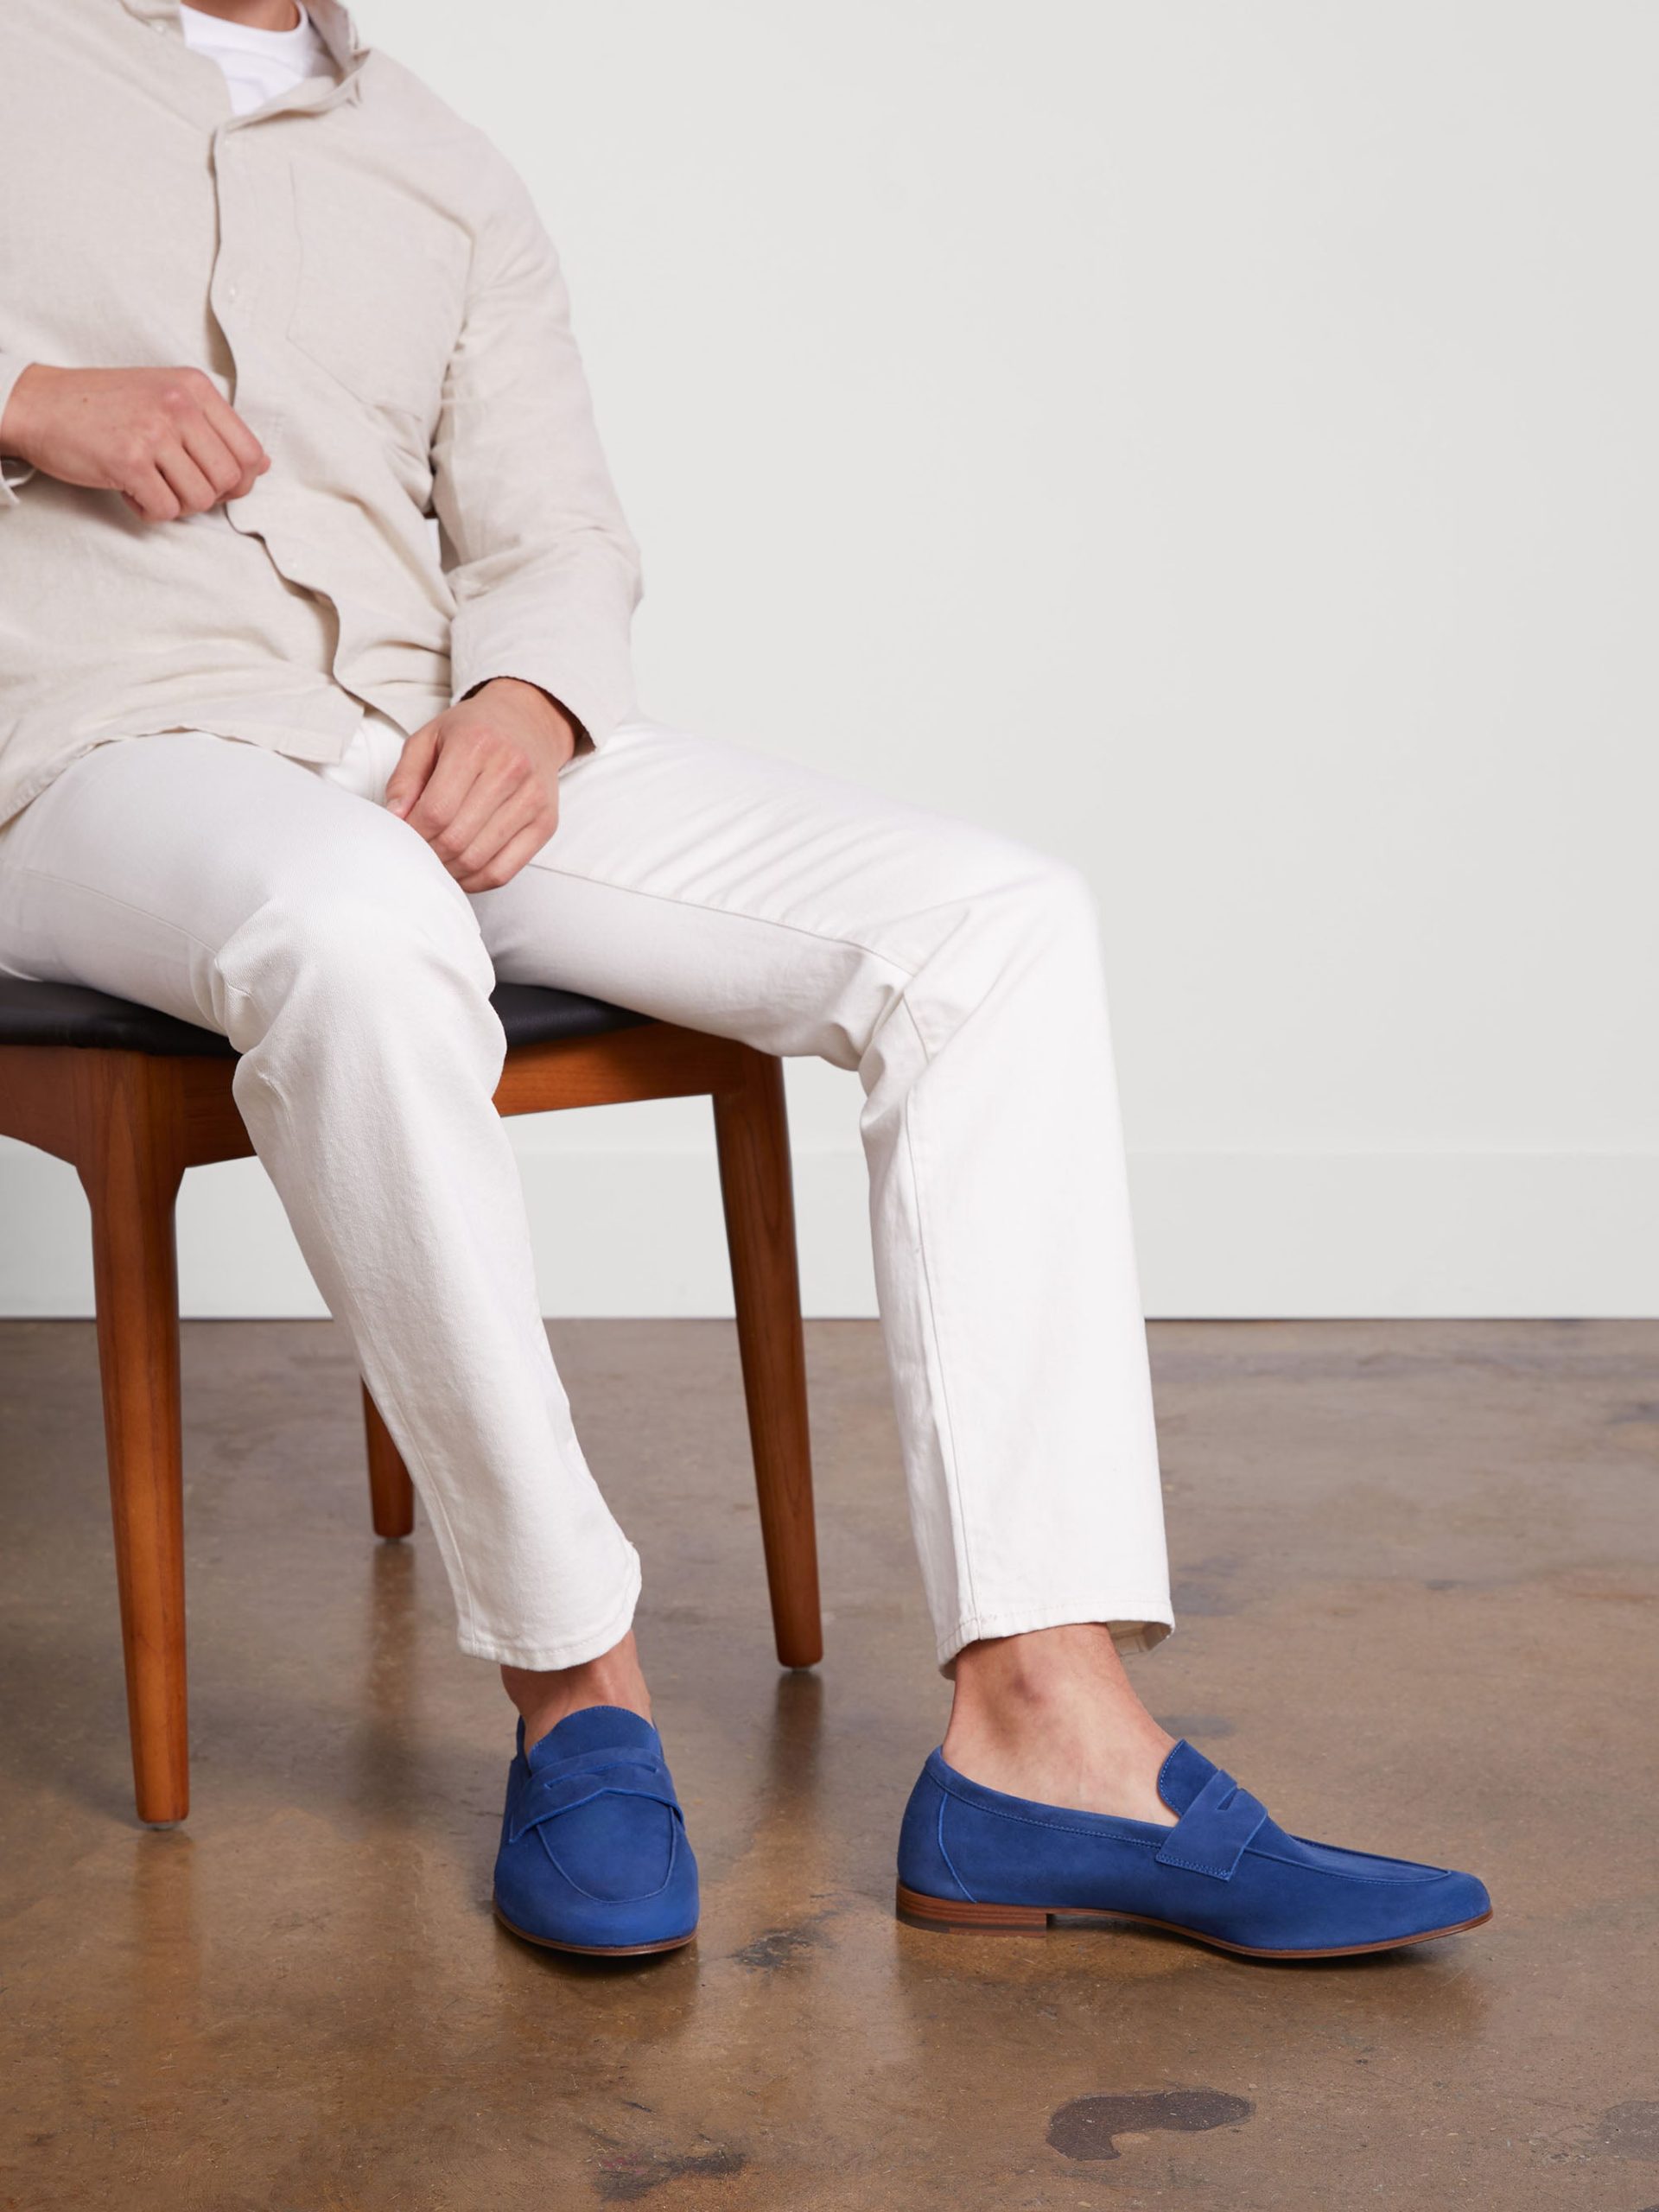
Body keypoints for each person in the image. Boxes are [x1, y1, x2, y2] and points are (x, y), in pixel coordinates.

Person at [0, 0, 1490, 1961]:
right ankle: (575, 1688)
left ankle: (1044, 1729)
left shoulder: (443, 166)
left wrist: (527, 704)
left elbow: (556, 531)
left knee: (991, 919)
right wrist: (25, 393)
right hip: (100, 749)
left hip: (422, 742)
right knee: (354, 932)